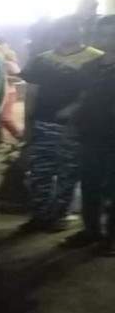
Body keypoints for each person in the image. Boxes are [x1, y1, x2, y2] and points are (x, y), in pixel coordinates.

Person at [20, 15, 103, 232]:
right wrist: (28, 125)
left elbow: (93, 94)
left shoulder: (96, 59)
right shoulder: (42, 59)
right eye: (63, 28)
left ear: (82, 30)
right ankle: (39, 215)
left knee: (68, 174)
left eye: (73, 27)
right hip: (42, 125)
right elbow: (31, 93)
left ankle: (59, 216)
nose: (67, 32)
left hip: (75, 129)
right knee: (40, 173)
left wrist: (73, 109)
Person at [67, 16, 115, 252]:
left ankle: (111, 238)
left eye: (112, 35)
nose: (108, 39)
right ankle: (91, 231)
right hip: (91, 135)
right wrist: (73, 121)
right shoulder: (90, 68)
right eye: (104, 34)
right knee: (89, 185)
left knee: (112, 189)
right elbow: (83, 99)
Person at [0, 39, 23, 142]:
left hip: (9, 92)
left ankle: (21, 138)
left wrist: (3, 77)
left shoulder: (8, 63)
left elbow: (19, 77)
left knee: (5, 118)